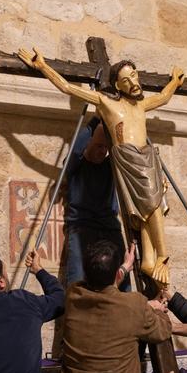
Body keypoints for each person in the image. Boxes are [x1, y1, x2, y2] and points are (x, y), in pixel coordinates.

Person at [18, 48, 185, 286]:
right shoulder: (104, 107)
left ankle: (149, 259)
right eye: (126, 80)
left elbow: (163, 98)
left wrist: (174, 83)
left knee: (146, 212)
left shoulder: (140, 107)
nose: (133, 82)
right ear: (117, 85)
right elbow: (67, 88)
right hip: (127, 165)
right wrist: (43, 66)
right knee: (154, 204)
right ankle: (162, 255)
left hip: (144, 161)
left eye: (134, 76)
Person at [58, 239, 172, 373]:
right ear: (114, 274)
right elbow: (163, 331)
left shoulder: (73, 294)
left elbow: (103, 291)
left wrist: (124, 269)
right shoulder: (134, 305)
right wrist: (157, 309)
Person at [65, 116, 129, 291]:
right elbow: (76, 150)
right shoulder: (75, 166)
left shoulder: (110, 165)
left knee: (123, 277)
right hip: (82, 226)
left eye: (105, 148)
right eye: (99, 146)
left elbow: (124, 150)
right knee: (77, 280)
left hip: (110, 227)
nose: (103, 152)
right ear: (89, 143)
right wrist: (94, 122)